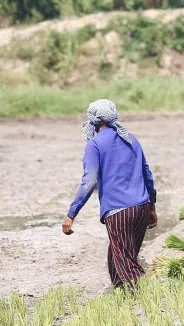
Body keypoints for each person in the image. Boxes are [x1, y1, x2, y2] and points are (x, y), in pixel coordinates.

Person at [62, 99, 158, 290]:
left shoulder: (94, 145)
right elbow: (147, 174)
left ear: (93, 122)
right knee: (118, 257)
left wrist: (71, 214)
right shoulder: (131, 139)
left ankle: (148, 297)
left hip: (118, 211)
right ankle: (121, 295)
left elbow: (89, 181)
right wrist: (152, 207)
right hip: (141, 207)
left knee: (126, 261)